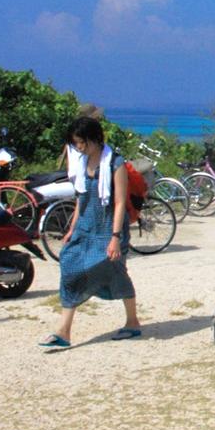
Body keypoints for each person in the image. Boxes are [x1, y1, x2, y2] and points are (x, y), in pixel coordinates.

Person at [40, 116, 141, 349]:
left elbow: (118, 202)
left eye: (82, 142)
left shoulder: (115, 163)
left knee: (117, 272)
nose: (78, 147)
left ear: (95, 139)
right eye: (76, 143)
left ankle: (133, 322)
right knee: (70, 266)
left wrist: (115, 238)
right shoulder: (81, 164)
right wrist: (72, 228)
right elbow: (81, 198)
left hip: (109, 228)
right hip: (86, 226)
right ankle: (63, 331)